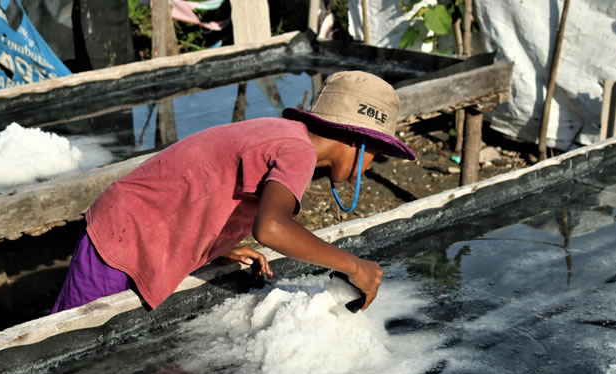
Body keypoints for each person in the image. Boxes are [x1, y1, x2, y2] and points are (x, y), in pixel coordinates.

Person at [51, 70, 416, 314]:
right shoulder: (300, 152)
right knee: (70, 353)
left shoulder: (285, 133)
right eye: (376, 156)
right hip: (124, 239)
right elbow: (271, 228)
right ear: (357, 140)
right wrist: (355, 266)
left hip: (133, 226)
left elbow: (208, 186)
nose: (370, 168)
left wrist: (216, 246)